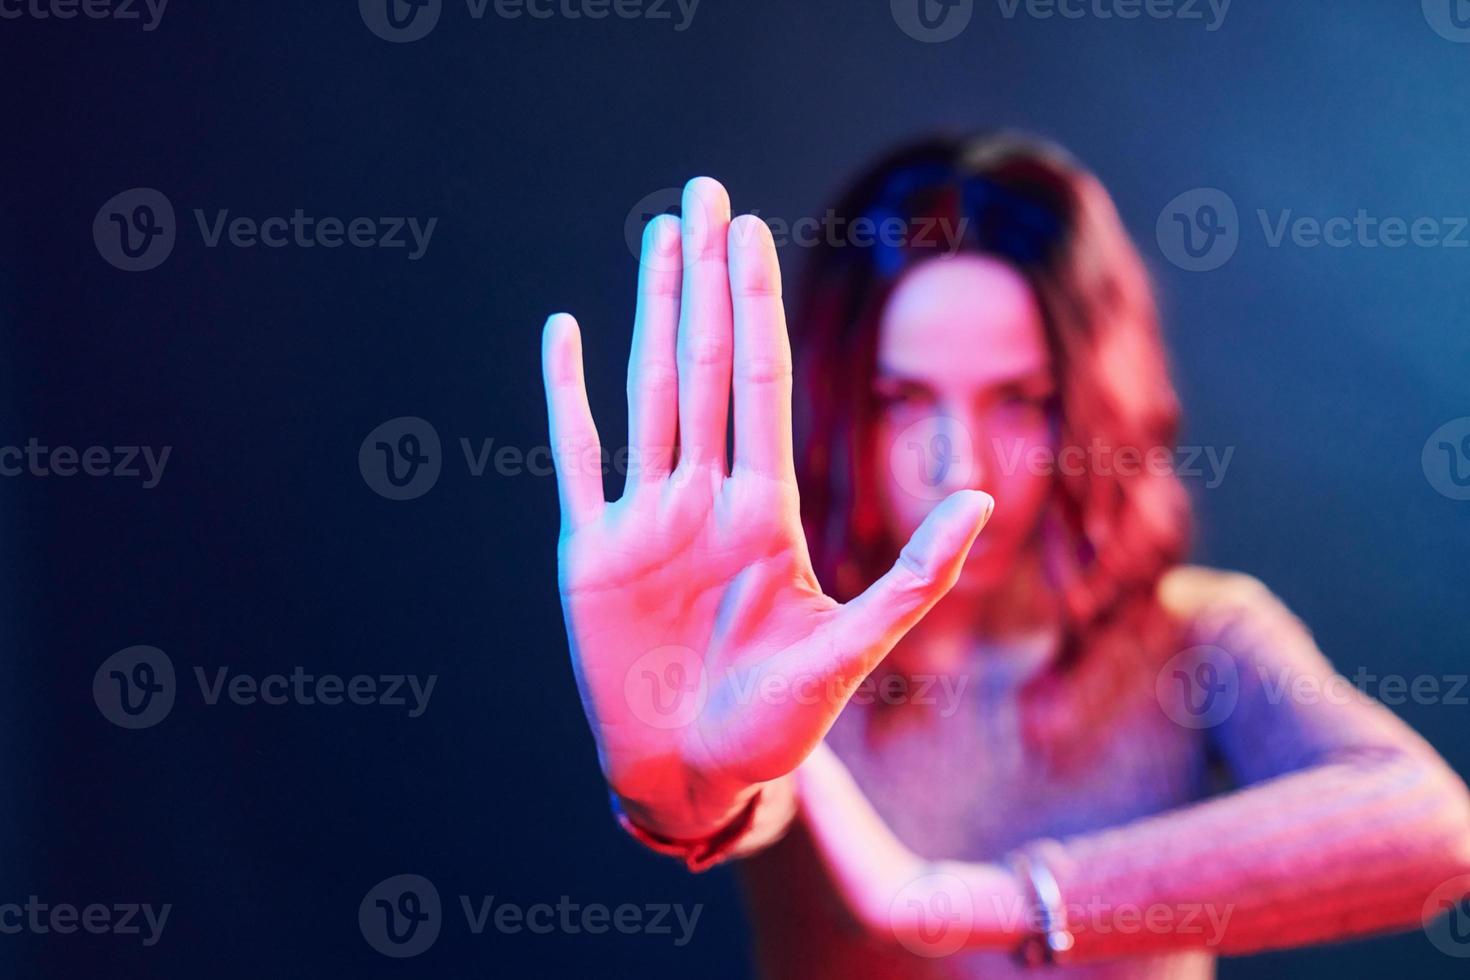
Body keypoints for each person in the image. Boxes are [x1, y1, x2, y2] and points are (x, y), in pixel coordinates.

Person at [538, 132, 1470, 977]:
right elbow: (743, 791)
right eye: (905, 399)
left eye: (1017, 400)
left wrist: (984, 902)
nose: (961, 464)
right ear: (843, 403)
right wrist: (679, 793)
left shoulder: (1194, 637)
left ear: (1091, 401)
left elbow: (1433, 827)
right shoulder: (783, 645)